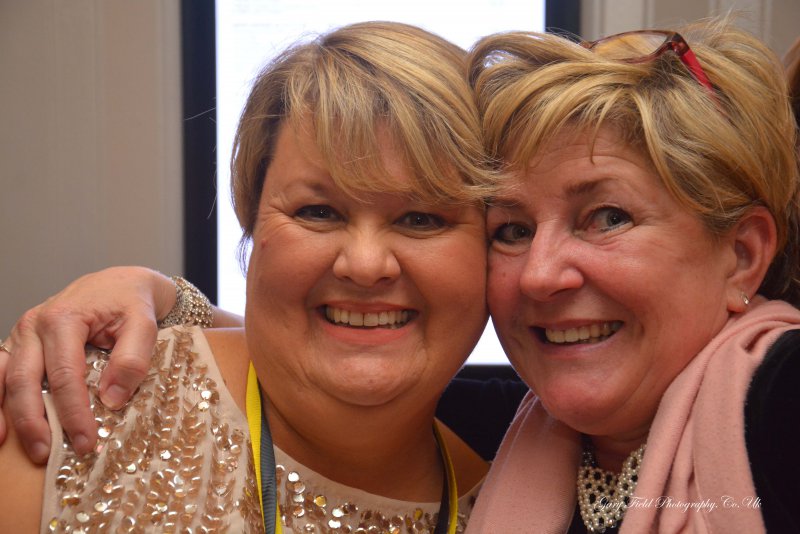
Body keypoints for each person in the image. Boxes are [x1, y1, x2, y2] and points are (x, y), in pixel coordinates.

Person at [0, 21, 504, 532]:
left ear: (495, 244)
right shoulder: (86, 408)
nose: (365, 265)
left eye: (421, 219)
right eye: (318, 212)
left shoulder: (506, 507)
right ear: (252, 219)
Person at [463, 17, 800, 533]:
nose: (539, 275)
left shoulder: (783, 398)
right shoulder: (484, 434)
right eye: (512, 231)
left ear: (741, 257)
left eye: (608, 218)